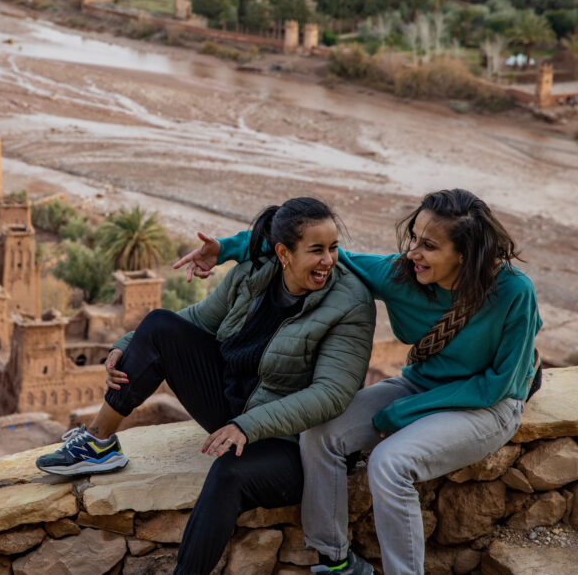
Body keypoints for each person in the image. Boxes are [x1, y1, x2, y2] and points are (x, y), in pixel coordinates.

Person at [176, 189, 541, 575]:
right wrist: (228, 249)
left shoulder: (514, 292)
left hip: (488, 405)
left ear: (465, 254)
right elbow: (313, 248)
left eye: (429, 246)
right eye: (414, 238)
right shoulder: (402, 275)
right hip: (421, 386)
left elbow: (497, 385)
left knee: (390, 461)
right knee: (320, 434)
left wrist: (399, 414)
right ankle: (335, 562)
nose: (413, 252)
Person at [36, 197, 375, 574]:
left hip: (296, 443)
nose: (329, 260)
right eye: (317, 250)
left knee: (227, 474)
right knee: (159, 325)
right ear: (283, 253)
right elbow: (196, 320)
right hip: (234, 408)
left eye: (333, 248)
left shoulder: (350, 303)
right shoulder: (253, 275)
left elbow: (331, 394)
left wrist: (249, 426)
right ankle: (99, 441)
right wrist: (126, 345)